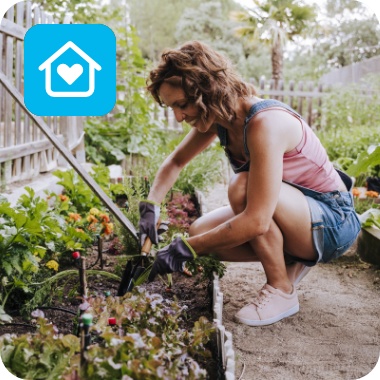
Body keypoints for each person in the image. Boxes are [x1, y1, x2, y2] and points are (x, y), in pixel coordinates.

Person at [138, 41, 361, 327]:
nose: (178, 116)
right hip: (298, 216)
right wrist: (151, 206)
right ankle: (293, 260)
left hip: (333, 221)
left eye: (182, 105)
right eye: (172, 108)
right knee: (201, 231)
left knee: (241, 188)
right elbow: (176, 162)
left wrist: (184, 249)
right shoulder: (221, 119)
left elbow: (256, 221)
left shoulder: (265, 123)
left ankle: (282, 289)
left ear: (208, 90)